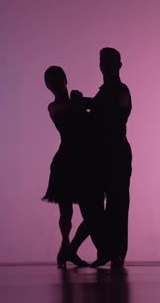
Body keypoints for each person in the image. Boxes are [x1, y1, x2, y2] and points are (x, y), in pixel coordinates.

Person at [82, 48, 133, 268]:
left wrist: (86, 103)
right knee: (94, 202)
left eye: (111, 62)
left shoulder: (121, 90)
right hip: (101, 154)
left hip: (116, 153)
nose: (106, 65)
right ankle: (107, 250)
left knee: (117, 204)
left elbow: (111, 111)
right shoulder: (103, 93)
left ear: (119, 65)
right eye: (103, 61)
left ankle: (115, 253)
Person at [42, 66, 92, 267]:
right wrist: (79, 102)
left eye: (57, 79)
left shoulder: (71, 103)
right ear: (48, 86)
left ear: (64, 79)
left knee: (91, 213)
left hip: (79, 161)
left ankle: (69, 249)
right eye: (51, 82)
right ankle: (67, 247)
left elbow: (89, 120)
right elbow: (74, 112)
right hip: (67, 162)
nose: (55, 84)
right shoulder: (54, 107)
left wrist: (80, 102)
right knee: (66, 213)